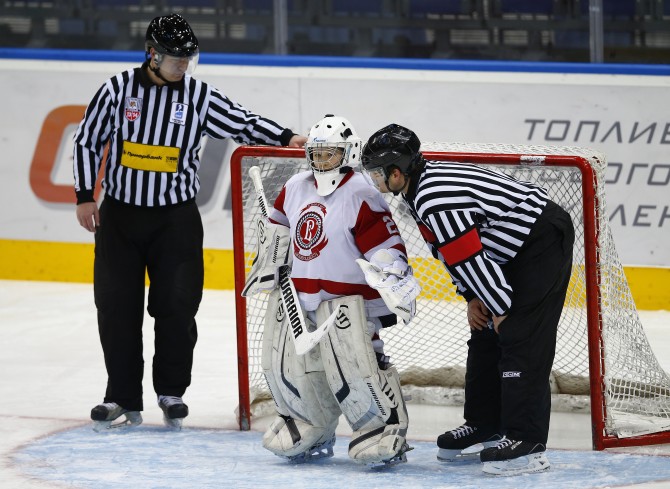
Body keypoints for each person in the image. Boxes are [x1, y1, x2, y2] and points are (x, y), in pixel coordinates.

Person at [73, 13, 307, 431]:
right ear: (152, 54)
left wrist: (285, 136)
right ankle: (121, 397)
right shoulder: (116, 89)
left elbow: (243, 121)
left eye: (188, 58)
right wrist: (84, 196)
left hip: (175, 221)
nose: (183, 66)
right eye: (175, 59)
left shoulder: (198, 96)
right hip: (121, 219)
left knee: (178, 306)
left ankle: (171, 392)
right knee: (116, 309)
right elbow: (89, 140)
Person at [360, 124, 574, 476]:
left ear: (396, 172)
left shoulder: (435, 198)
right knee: (484, 330)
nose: (375, 180)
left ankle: (527, 443)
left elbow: (469, 258)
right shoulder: (419, 190)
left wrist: (501, 308)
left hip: (540, 241)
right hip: (508, 248)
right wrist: (474, 296)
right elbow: (451, 252)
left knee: (519, 334)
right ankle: (486, 425)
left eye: (377, 173)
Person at [243, 115, 420, 465]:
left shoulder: (362, 193)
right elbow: (278, 232)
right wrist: (270, 254)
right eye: (316, 153)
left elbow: (385, 244)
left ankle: (384, 425)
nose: (321, 161)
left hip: (347, 303)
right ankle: (310, 422)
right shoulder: (295, 186)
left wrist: (393, 276)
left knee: (355, 363)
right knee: (288, 365)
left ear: (348, 153)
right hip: (300, 296)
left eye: (330, 154)